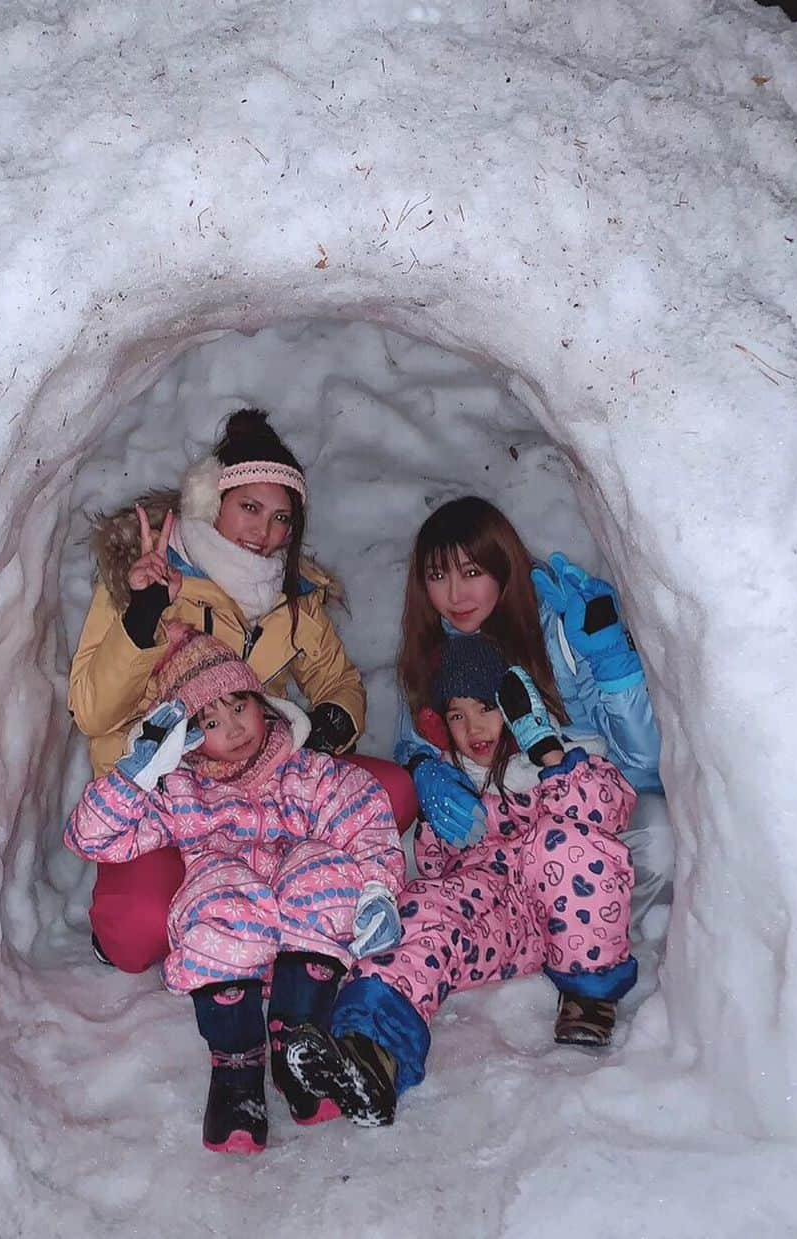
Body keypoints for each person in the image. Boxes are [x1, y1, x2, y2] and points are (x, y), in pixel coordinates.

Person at [68, 408, 417, 972]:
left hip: (260, 795)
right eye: (249, 508)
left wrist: (332, 721)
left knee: (393, 791)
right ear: (211, 503)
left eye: (281, 518)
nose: (265, 533)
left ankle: (275, 903)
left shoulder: (290, 595)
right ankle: (210, 898)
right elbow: (91, 712)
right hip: (166, 801)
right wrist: (143, 619)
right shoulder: (150, 575)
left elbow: (338, 680)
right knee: (134, 940)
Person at [64, 626, 406, 1153]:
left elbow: (363, 816)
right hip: (230, 950)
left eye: (239, 706)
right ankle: (237, 1072)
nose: (235, 727)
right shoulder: (180, 790)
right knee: (219, 890)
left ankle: (298, 1045)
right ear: (191, 739)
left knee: (326, 866)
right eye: (212, 721)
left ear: (261, 702)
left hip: (303, 945)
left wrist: (377, 890)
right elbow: (92, 837)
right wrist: (134, 778)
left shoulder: (304, 768)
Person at [281, 632, 637, 1126]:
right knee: (422, 909)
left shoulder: (566, 759)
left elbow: (606, 811)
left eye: (486, 707)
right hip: (496, 918)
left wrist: (548, 754)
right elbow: (435, 870)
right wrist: (439, 822)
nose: (473, 727)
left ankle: (589, 997)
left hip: (561, 911)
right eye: (456, 714)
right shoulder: (451, 776)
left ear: (517, 707)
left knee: (563, 843)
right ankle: (370, 1054)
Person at [394, 497, 673, 953]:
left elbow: (641, 766)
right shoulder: (431, 654)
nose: (455, 596)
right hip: (497, 836)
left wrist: (611, 664)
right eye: (438, 576)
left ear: (504, 567)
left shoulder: (561, 631)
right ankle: (513, 937)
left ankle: (586, 940)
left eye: (471, 572)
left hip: (579, 826)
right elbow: (411, 741)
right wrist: (424, 768)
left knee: (659, 836)